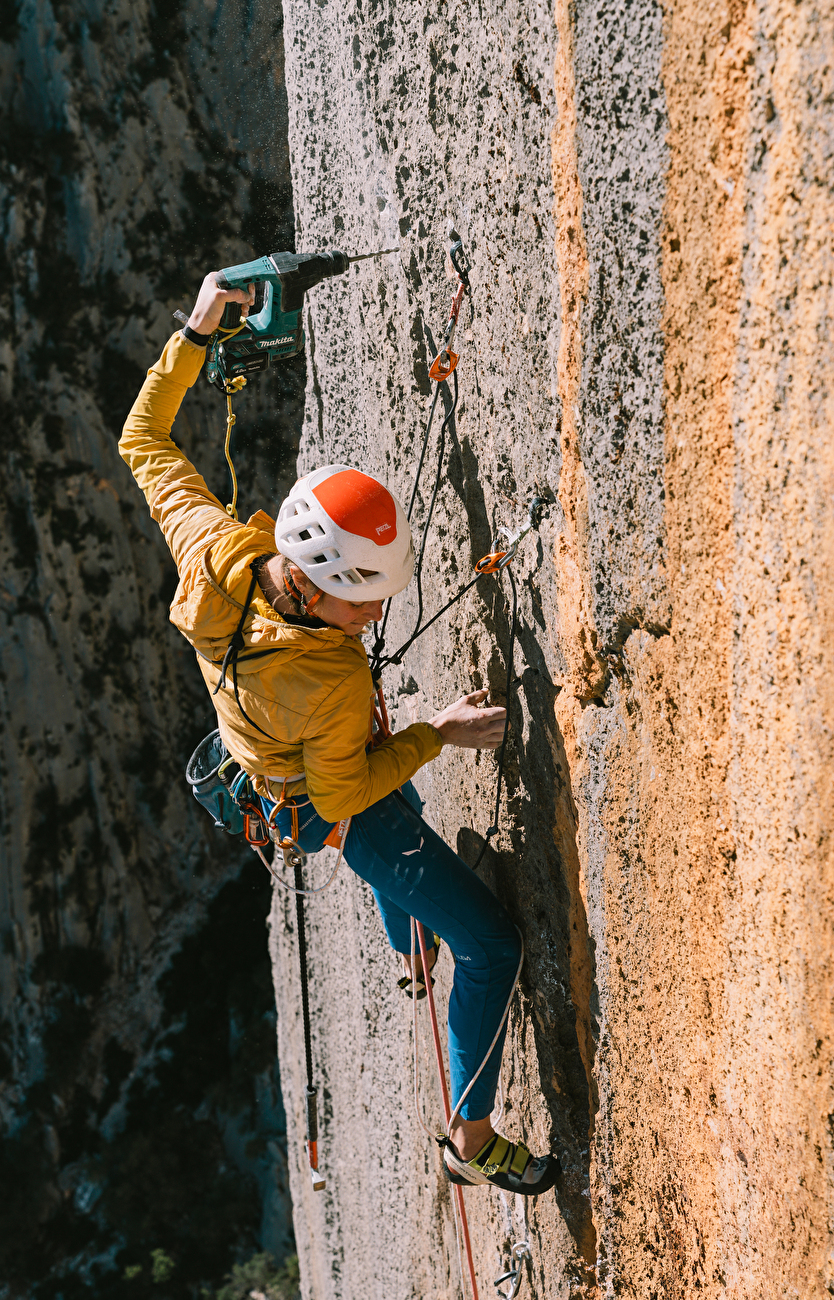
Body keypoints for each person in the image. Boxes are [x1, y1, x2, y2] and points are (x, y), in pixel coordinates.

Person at [119, 271, 561, 1196]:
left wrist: (196, 332)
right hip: (326, 804)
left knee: (398, 839)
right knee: (491, 947)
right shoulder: (323, 675)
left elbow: (144, 440)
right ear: (316, 586)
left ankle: (408, 948)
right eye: (363, 603)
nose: (372, 618)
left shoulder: (217, 551)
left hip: (271, 770)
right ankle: (472, 1143)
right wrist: (438, 731)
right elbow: (345, 793)